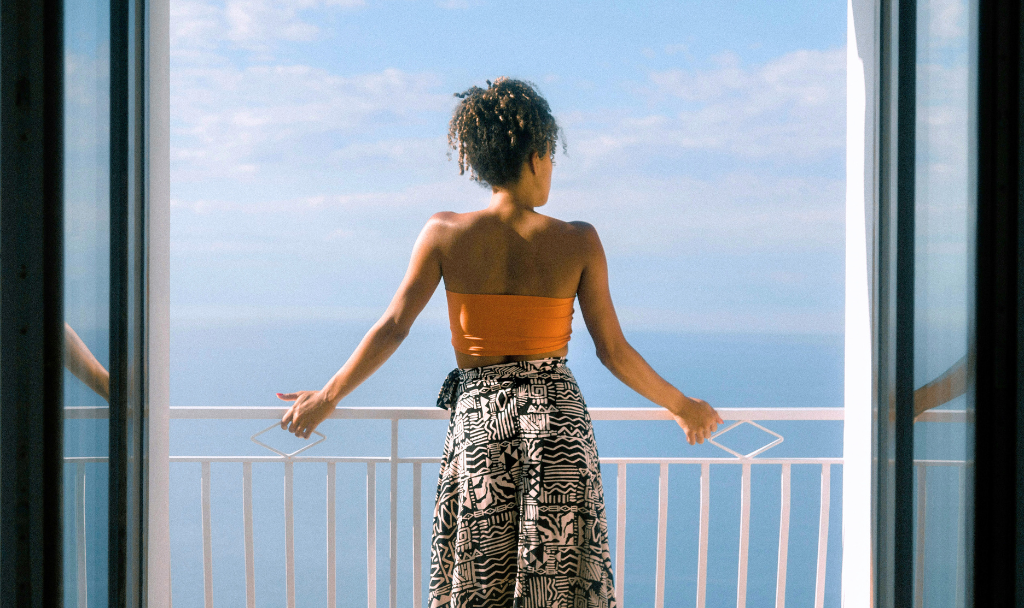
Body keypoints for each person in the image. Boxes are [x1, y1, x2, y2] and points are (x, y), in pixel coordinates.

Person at [277, 77, 722, 608]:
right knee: (557, 580)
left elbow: (394, 326)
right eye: (551, 159)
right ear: (536, 156)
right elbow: (612, 351)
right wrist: (684, 405)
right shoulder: (579, 240)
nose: (551, 171)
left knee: (478, 577)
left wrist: (325, 398)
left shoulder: (444, 232)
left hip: (483, 425)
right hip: (557, 426)